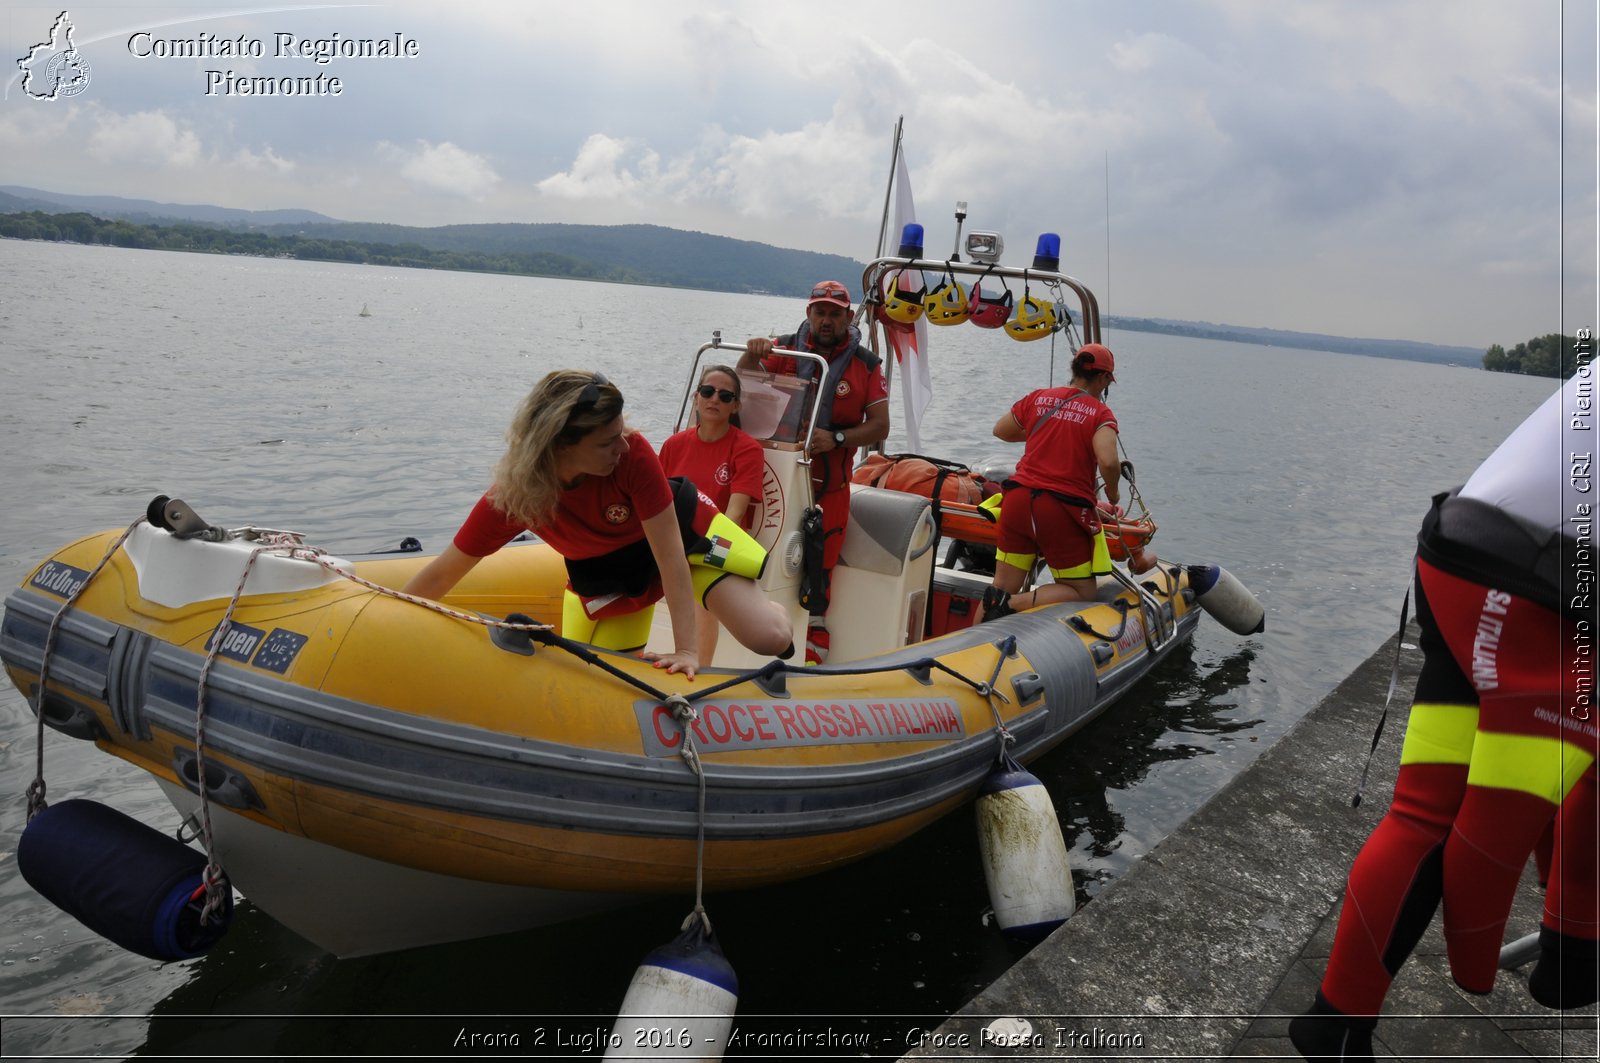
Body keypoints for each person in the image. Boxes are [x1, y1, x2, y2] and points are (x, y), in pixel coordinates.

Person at [1291, 372, 1597, 1061]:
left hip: (1457, 555)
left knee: (1422, 813)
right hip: (1532, 589)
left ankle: (1336, 1023)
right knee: (1491, 826)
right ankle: (1573, 957)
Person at [401, 369, 793, 680]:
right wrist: (385, 619)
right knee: (608, 677)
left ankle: (770, 607)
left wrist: (686, 651)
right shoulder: (512, 499)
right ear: (560, 446)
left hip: (687, 535)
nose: (623, 445)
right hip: (616, 572)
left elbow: (672, 556)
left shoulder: (632, 454)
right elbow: (440, 576)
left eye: (620, 432)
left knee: (768, 638)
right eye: (607, 441)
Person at [739, 280, 889, 664]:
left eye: (834, 314)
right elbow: (742, 389)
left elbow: (879, 426)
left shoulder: (867, 365)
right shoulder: (781, 349)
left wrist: (837, 436)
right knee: (759, 553)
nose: (826, 320)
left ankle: (813, 640)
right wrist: (751, 356)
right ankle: (748, 628)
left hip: (831, 485)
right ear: (808, 313)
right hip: (777, 478)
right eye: (819, 312)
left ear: (847, 316)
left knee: (820, 566)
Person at [979, 343, 1121, 620]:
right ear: (1104, 378)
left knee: (1001, 586)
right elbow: (1109, 461)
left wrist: (1049, 432)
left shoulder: (1039, 398)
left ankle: (972, 639)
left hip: (1017, 501)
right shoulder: (1100, 413)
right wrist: (1113, 494)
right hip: (1059, 509)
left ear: (1075, 370)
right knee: (1081, 591)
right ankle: (1015, 604)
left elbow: (1002, 430)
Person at [659, 364, 767, 665]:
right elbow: (656, 505)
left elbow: (733, 516)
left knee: (702, 601)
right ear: (696, 397)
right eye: (707, 391)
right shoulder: (673, 445)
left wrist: (691, 551)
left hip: (716, 545)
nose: (714, 399)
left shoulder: (747, 449)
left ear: (735, 406)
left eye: (724, 395)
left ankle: (698, 669)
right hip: (674, 539)